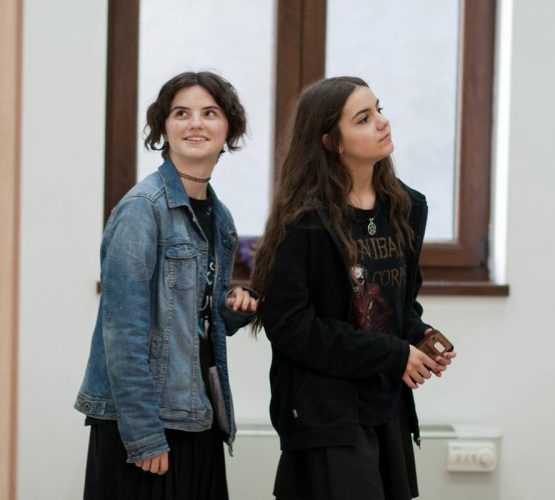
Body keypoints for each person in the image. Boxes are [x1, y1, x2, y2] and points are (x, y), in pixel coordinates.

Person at [251, 76, 456, 500]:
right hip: (327, 415)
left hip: (387, 404)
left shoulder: (407, 208)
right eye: (363, 118)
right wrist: (392, 353)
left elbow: (398, 305)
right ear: (331, 141)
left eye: (379, 109)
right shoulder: (305, 221)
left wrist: (418, 335)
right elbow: (290, 327)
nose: (382, 122)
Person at [75, 71, 258, 500]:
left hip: (197, 413)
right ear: (163, 128)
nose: (195, 123)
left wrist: (231, 308)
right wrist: (143, 436)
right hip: (146, 425)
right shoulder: (143, 209)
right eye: (181, 113)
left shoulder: (220, 217)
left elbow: (191, 318)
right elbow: (123, 332)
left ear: (228, 128)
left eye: (209, 113)